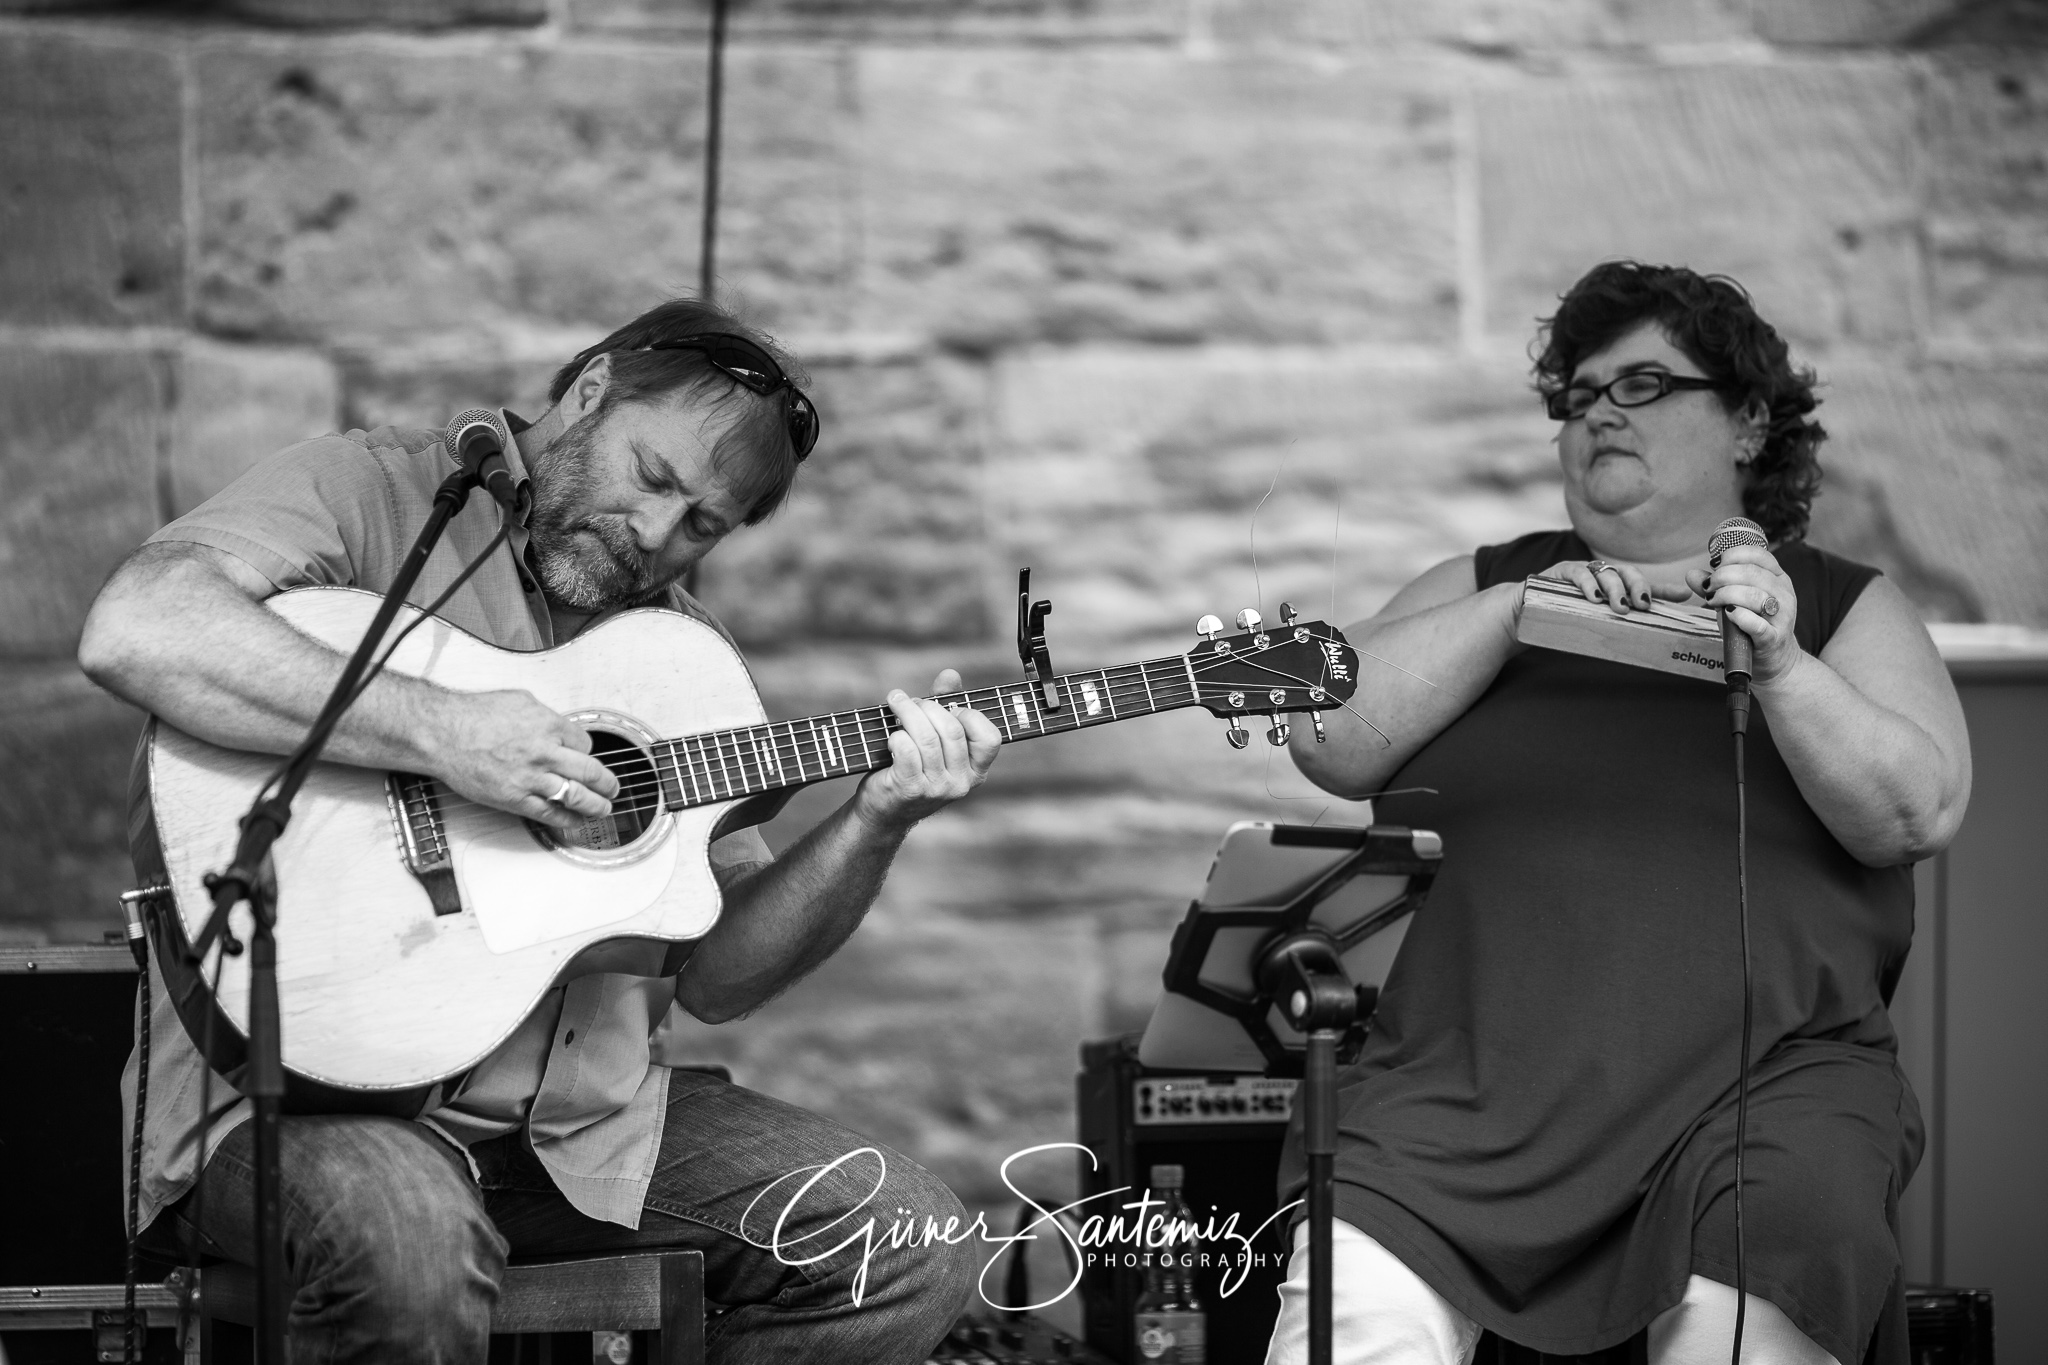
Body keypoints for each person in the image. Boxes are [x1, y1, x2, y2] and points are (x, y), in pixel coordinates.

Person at [77, 298, 1000, 1365]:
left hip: (570, 1138)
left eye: (702, 525)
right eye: (654, 479)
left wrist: (875, 819)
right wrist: (443, 731)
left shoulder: (679, 660)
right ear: (589, 392)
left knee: (904, 1241)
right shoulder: (377, 493)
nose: (660, 536)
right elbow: (136, 627)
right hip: (290, 1109)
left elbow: (719, 978)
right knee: (410, 1229)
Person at [1266, 262, 1970, 1365]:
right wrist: (1510, 615)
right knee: (1353, 1297)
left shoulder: (1838, 604)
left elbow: (1912, 814)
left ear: (1744, 423)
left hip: (1762, 1094)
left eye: (1641, 383)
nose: (1596, 410)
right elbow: (1326, 737)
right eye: (1577, 394)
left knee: (1770, 1264)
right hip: (1464, 1088)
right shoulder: (1486, 583)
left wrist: (1779, 663)